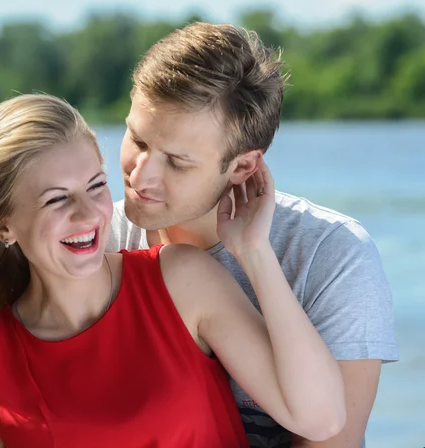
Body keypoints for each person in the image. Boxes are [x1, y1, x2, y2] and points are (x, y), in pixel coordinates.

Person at [0, 95, 345, 448]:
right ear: (4, 225)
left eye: (95, 186)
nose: (88, 213)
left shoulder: (181, 280)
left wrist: (254, 251)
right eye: (56, 199)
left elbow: (322, 420)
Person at [108, 22, 399, 448]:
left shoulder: (333, 255)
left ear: (243, 167)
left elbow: (333, 439)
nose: (139, 174)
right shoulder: (94, 240)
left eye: (177, 162)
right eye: (137, 138)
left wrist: (253, 253)